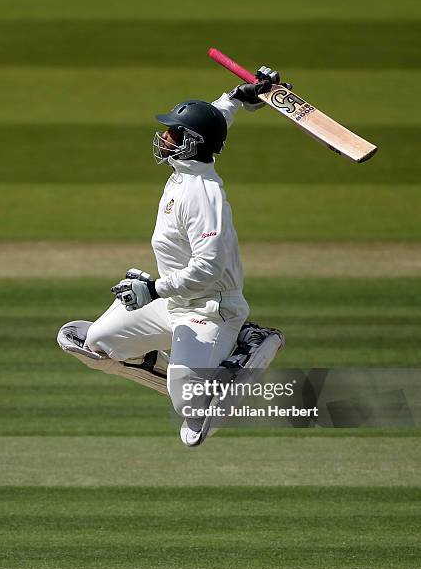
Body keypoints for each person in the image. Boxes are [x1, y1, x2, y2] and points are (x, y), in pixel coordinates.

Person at [57, 66, 288, 447]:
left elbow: (209, 269)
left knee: (193, 425)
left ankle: (250, 344)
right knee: (91, 344)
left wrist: (152, 288)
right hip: (174, 301)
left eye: (173, 133)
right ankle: (187, 378)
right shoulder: (187, 165)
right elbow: (212, 122)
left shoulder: (203, 196)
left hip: (210, 309)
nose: (164, 138)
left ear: (192, 143)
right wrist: (236, 97)